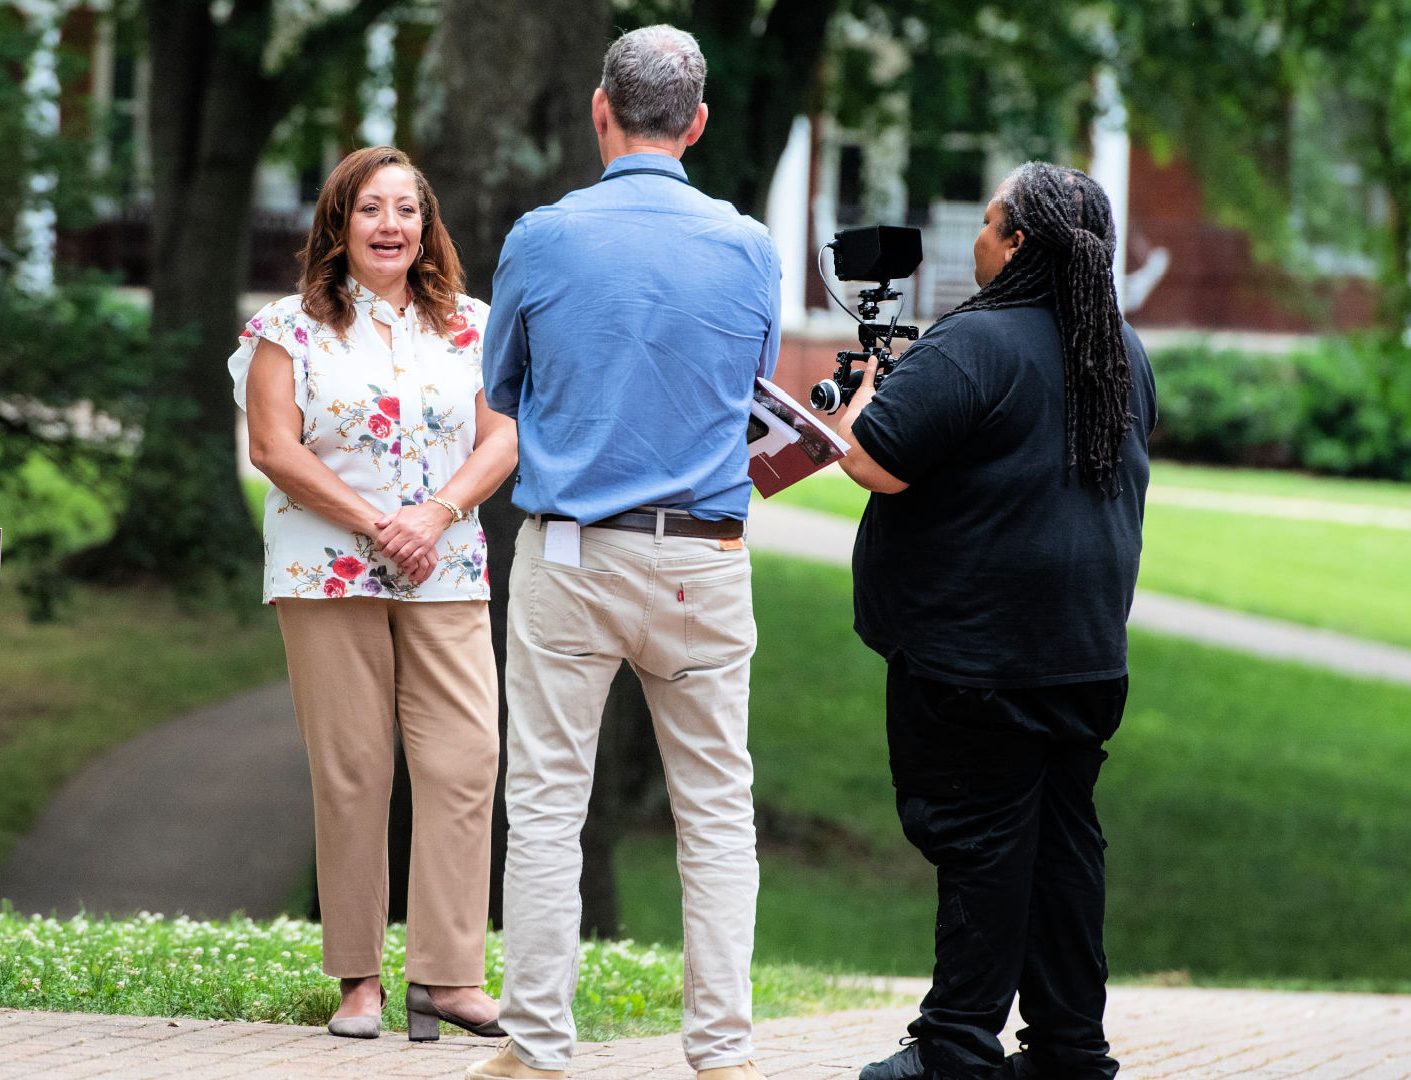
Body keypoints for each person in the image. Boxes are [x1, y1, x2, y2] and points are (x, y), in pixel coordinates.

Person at [463, 24, 781, 1080]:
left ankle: (537, 1045)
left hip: (571, 556)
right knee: (716, 808)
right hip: (705, 557)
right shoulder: (748, 245)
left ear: (601, 110)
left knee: (548, 805)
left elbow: (501, 388)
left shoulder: (541, 238)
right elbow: (754, 393)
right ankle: (723, 1050)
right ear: (695, 122)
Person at [830, 162, 1158, 1080]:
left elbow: (872, 462)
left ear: (1015, 243)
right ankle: (1068, 1051)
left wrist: (863, 398)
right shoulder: (1122, 350)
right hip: (1086, 654)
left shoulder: (972, 343)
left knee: (981, 838)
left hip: (975, 657)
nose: (975, 240)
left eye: (986, 223)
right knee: (1061, 849)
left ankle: (954, 1049)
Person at [227, 145, 518, 1042]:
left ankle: (449, 975)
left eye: (406, 210)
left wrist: (432, 515)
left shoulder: (475, 324)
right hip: (330, 571)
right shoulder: (287, 328)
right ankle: (359, 980)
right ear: (338, 224)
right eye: (370, 210)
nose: (390, 226)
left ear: (427, 227)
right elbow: (275, 450)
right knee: (353, 770)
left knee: (467, 760)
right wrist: (376, 522)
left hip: (447, 566)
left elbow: (503, 437)